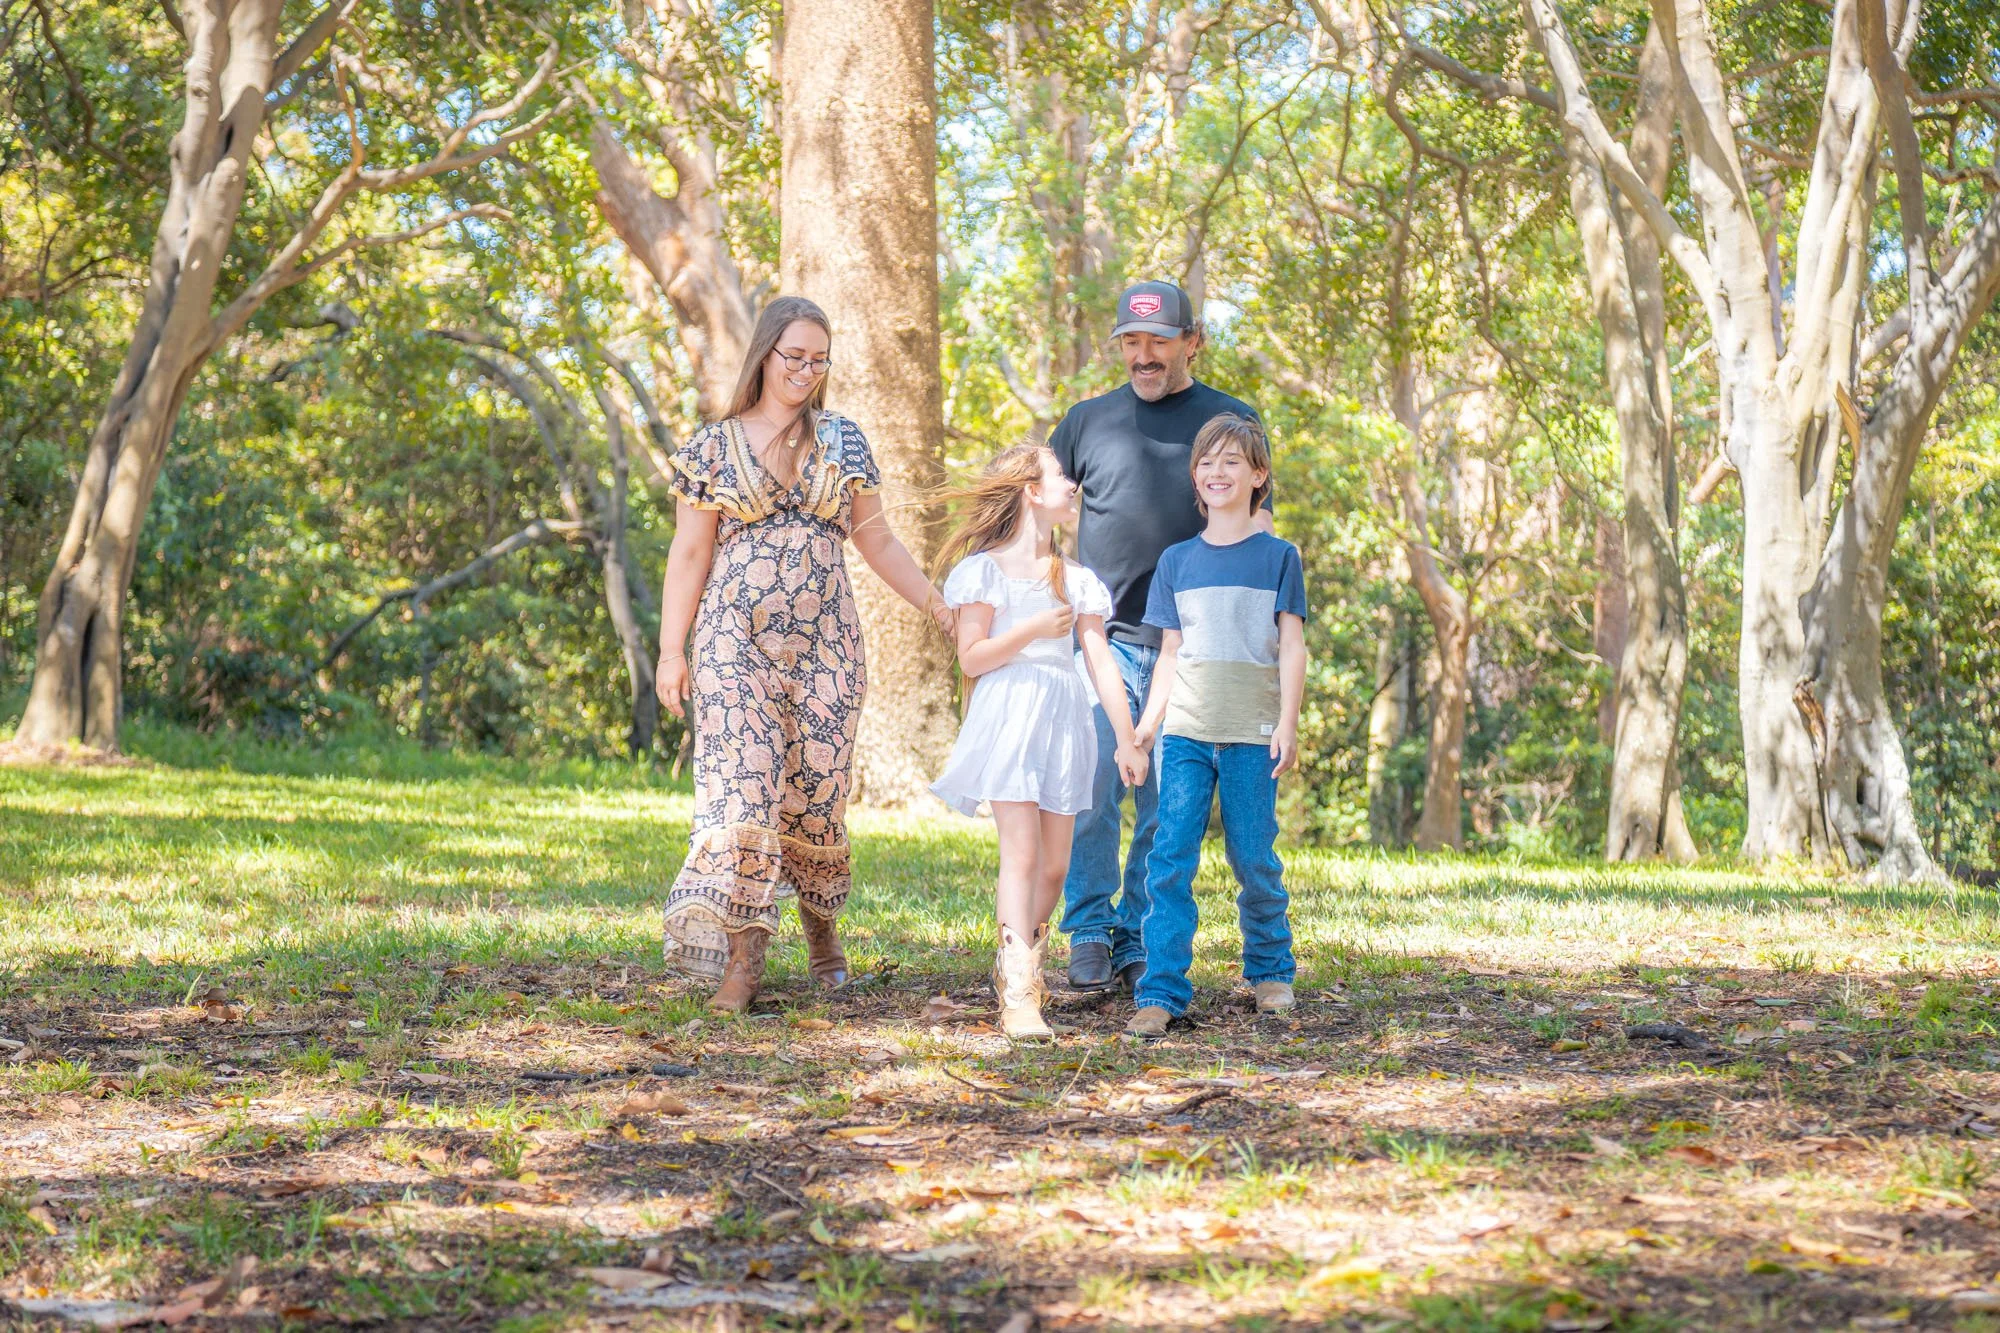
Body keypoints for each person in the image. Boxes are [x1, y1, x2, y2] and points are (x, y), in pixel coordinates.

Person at [655, 296, 953, 1014]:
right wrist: (672, 649)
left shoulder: (844, 442)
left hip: (828, 644)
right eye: (796, 356)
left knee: (817, 795)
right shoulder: (712, 447)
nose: (807, 371)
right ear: (765, 354)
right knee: (741, 788)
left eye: (820, 360)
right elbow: (690, 551)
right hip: (734, 639)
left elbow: (876, 539)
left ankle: (822, 935)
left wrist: (938, 603)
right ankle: (743, 962)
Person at [1050, 281, 1271, 993]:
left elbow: (1256, 528)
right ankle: (1088, 927)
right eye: (1131, 342)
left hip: (1191, 644)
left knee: (1164, 800)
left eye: (1158, 341)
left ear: (1191, 341)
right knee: (1091, 783)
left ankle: (1139, 935)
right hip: (1101, 638)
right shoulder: (1086, 421)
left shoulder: (1229, 420)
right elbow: (1034, 504)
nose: (1143, 356)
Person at [929, 445, 1148, 1039]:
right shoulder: (984, 572)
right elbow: (972, 658)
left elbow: (1100, 662)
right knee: (1021, 855)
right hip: (1010, 715)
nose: (1072, 484)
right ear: (1030, 490)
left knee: (1056, 865)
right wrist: (1028, 627)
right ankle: (1021, 993)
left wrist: (1127, 739)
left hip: (1063, 718)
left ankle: (1017, 955)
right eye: (1060, 475)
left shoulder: (1077, 579)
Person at [1124, 414, 1306, 1040]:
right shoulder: (1176, 561)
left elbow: (1291, 645)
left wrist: (1289, 721)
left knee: (1253, 855)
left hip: (1254, 732)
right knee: (1169, 858)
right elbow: (1171, 654)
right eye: (1207, 462)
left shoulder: (1280, 557)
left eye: (1232, 462)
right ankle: (1161, 990)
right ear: (1194, 478)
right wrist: (1146, 730)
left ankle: (1270, 972)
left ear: (1258, 476)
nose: (1217, 472)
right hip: (1187, 733)